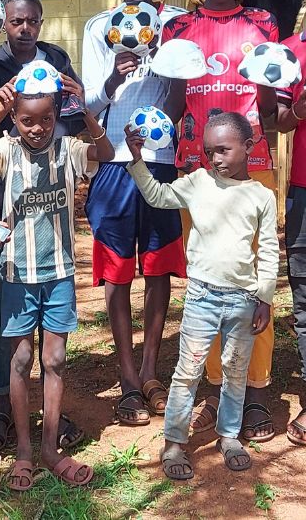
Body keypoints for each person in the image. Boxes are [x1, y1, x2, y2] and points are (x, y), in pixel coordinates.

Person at [162, 0, 280, 443]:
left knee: (253, 278)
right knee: (208, 278)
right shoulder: (180, 28)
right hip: (198, 171)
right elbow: (171, 99)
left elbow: (271, 103)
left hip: (253, 166)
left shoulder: (262, 25)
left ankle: (254, 390)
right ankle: (214, 385)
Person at [0, 74, 113, 490]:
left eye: (46, 119)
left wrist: (84, 108)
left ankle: (50, 448)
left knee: (54, 361)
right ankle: (25, 451)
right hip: (16, 273)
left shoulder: (68, 149)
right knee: (19, 360)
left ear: (55, 116)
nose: (37, 128)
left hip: (60, 274)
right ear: (15, 117)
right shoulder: (6, 149)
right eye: (27, 120)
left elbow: (103, 152)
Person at [0, 0, 86, 453]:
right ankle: (1, 409)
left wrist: (79, 107)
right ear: (5, 24)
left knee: (47, 342)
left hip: (49, 205)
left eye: (32, 20)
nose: (25, 28)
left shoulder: (56, 60)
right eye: (16, 21)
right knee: (7, 324)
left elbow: (70, 119)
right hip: (3, 209)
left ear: (40, 20)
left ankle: (48, 416)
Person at [124, 112, 277, 479]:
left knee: (235, 370)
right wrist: (136, 161)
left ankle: (229, 435)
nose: (216, 159)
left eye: (224, 150)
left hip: (242, 300)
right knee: (187, 371)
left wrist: (265, 298)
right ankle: (175, 442)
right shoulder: (197, 182)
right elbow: (159, 196)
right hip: (202, 298)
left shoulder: (261, 196)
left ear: (249, 146)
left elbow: (269, 250)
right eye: (210, 152)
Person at [81, 0, 188, 426]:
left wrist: (172, 76)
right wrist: (112, 80)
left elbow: (181, 97)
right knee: (118, 272)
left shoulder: (174, 25)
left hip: (161, 162)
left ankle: (151, 373)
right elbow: (87, 107)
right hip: (115, 164)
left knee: (159, 268)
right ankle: (126, 381)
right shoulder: (98, 27)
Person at [273, 29, 306, 445]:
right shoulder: (291, 49)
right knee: (304, 302)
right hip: (303, 188)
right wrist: (299, 108)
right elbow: (278, 121)